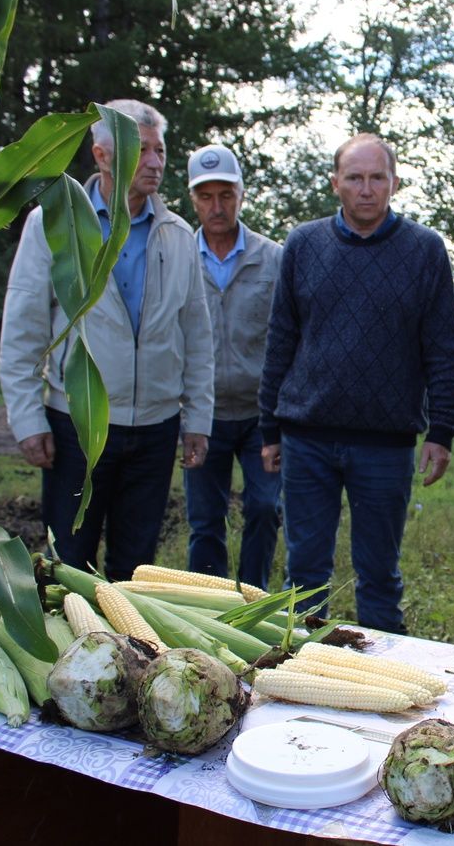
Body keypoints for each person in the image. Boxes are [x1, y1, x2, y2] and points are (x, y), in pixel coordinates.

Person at [0, 99, 214, 582]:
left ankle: (127, 656)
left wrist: (197, 417)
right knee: (67, 564)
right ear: (101, 156)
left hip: (156, 430)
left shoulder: (177, 235)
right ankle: (62, 652)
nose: (156, 163)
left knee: (134, 571)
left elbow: (197, 336)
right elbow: (24, 326)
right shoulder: (54, 223)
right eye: (142, 151)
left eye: (160, 151)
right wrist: (28, 418)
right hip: (78, 423)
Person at [257, 133, 454, 634]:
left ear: (394, 182)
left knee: (379, 576)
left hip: (385, 446)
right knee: (304, 574)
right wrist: (268, 428)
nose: (366, 189)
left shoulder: (425, 250)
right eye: (354, 178)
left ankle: (387, 681)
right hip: (307, 438)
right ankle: (301, 674)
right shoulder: (303, 244)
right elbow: (280, 337)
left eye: (376, 178)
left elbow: (442, 347)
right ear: (336, 184)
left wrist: (442, 432)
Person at [182, 144, 283, 591]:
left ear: (242, 195)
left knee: (264, 508)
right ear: (193, 199)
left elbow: (289, 336)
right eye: (206, 197)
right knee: (205, 520)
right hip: (202, 415)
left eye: (226, 195)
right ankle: (211, 605)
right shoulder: (176, 254)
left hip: (261, 415)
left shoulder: (272, 258)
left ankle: (253, 598)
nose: (217, 207)